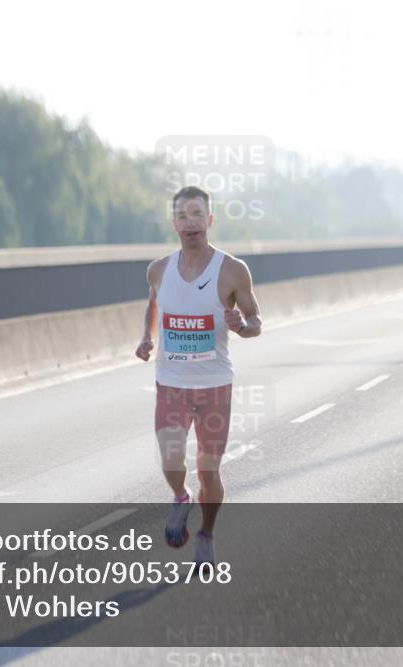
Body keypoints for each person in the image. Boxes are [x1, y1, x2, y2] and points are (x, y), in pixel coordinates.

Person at [135, 185, 262, 571]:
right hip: (170, 382)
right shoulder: (158, 269)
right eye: (183, 215)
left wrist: (242, 325)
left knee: (210, 469)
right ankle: (179, 498)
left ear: (210, 220)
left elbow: (256, 321)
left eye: (197, 214)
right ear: (174, 223)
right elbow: (154, 304)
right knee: (171, 457)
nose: (190, 222)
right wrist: (147, 337)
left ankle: (205, 534)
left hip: (214, 386)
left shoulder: (233, 270)